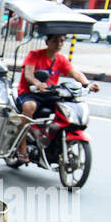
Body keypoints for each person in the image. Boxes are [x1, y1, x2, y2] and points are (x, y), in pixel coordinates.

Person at [14, 32, 100, 161]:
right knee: (29, 107)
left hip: (50, 94)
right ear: (47, 42)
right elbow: (28, 74)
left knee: (66, 108)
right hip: (30, 93)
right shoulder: (34, 55)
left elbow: (75, 73)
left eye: (61, 41)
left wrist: (88, 84)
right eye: (55, 41)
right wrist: (38, 84)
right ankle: (22, 147)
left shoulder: (61, 59)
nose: (58, 44)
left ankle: (52, 139)